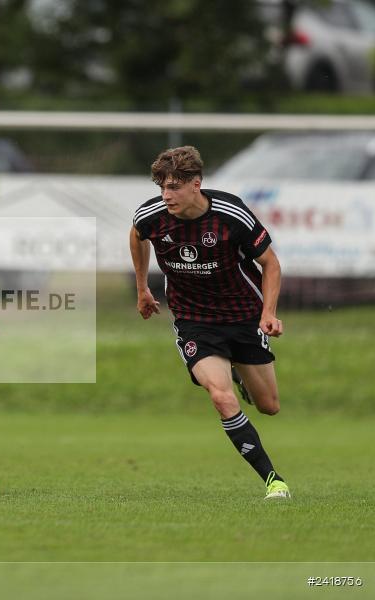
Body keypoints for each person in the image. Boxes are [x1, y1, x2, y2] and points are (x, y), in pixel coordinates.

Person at [129, 145, 291, 500]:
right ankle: (273, 480)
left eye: (173, 187)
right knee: (220, 397)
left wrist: (268, 313)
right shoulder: (152, 216)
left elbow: (271, 264)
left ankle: (240, 373)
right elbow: (137, 236)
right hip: (194, 321)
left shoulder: (231, 215)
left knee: (269, 406)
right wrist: (142, 288)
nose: (166, 195)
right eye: (162, 187)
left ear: (196, 184)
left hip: (244, 317)